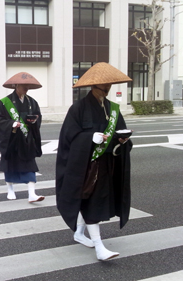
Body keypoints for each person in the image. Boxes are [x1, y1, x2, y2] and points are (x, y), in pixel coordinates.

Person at [56, 62, 133, 261]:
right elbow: (68, 137)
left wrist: (122, 139)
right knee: (92, 203)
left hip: (108, 164)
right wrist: (89, 138)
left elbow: (119, 131)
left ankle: (79, 233)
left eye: (108, 87)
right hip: (87, 166)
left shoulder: (112, 108)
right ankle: (100, 247)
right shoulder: (78, 108)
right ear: (93, 87)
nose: (106, 91)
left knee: (93, 201)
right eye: (102, 87)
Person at [0, 72, 44, 203]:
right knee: (10, 165)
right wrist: (11, 124)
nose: (26, 88)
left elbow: (38, 117)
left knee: (30, 165)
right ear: (16, 86)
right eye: (23, 85)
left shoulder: (32, 102)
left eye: (27, 85)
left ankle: (32, 193)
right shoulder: (5, 102)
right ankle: (10, 189)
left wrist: (34, 122)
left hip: (27, 139)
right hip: (12, 139)